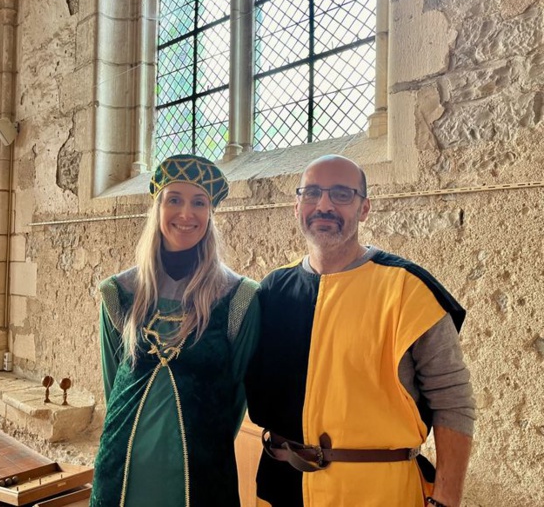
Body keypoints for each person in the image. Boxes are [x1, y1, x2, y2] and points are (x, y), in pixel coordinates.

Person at [245, 155, 475, 507]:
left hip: (377, 493)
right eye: (312, 193)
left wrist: (445, 500)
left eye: (340, 194)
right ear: (297, 206)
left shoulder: (408, 290)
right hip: (281, 486)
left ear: (364, 208)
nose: (324, 205)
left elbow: (452, 399)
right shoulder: (273, 289)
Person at [90, 154, 260, 507]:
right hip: (122, 471)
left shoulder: (238, 297)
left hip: (203, 472)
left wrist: (204, 442)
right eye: (175, 200)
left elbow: (238, 394)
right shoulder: (119, 293)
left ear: (210, 213)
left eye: (199, 202)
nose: (186, 213)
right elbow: (114, 385)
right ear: (157, 207)